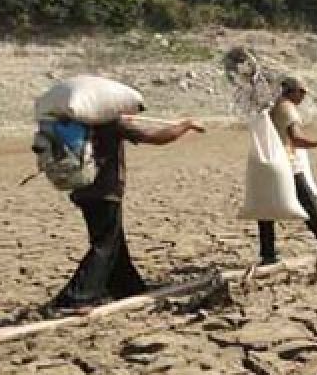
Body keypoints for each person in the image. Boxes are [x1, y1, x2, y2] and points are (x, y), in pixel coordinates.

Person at [50, 116, 205, 312]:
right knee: (105, 245)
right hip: (104, 192)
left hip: (82, 191)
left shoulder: (76, 123)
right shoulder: (110, 122)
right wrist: (185, 125)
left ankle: (127, 287)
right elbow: (156, 137)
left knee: (114, 242)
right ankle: (76, 296)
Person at [257, 76, 317, 265]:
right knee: (308, 202)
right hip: (285, 163)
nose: (303, 96)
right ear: (292, 91)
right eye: (302, 92)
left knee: (266, 209)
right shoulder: (287, 109)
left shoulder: (273, 106)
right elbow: (296, 139)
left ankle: (268, 253)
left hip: (269, 161)